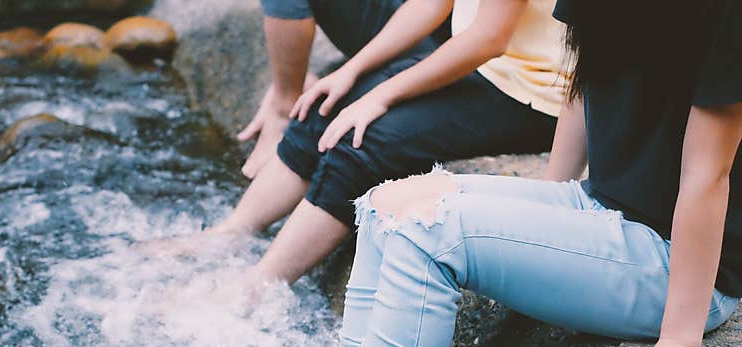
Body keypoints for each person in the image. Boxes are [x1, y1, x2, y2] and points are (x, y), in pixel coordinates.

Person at [317, 0, 741, 347]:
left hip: (674, 259)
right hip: (599, 204)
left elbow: (708, 176)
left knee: (429, 231)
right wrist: (539, 222)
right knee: (387, 204)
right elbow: (582, 80)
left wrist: (678, 345)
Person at [141, 0, 568, 286]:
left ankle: (258, 286)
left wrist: (381, 94)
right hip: (489, 69)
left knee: (363, 140)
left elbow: (488, 38)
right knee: (328, 103)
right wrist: (354, 71)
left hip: (533, 97)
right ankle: (233, 232)